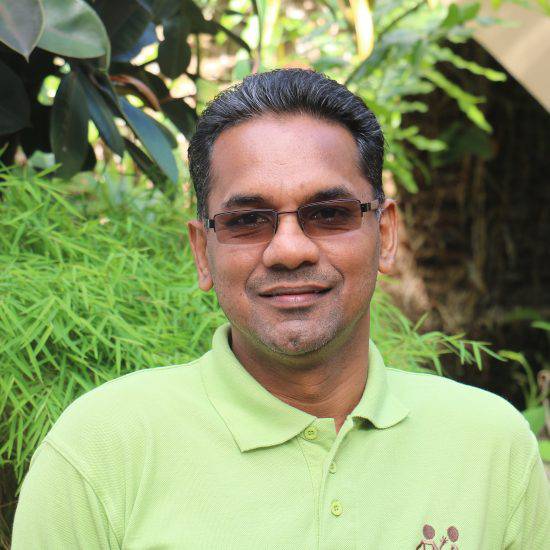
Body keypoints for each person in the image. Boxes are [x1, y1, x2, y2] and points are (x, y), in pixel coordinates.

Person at [11, 69, 549, 549]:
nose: (289, 250)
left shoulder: (490, 447)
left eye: (329, 213)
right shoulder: (101, 452)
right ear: (202, 252)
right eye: (248, 220)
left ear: (385, 235)